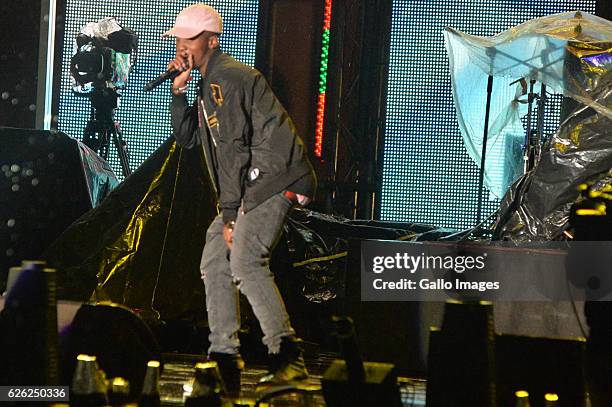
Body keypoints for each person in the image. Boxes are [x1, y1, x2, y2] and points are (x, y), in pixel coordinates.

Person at [163, 3, 317, 396]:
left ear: (212, 40)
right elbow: (188, 139)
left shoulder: (228, 78)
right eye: (179, 38)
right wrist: (178, 94)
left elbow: (232, 149)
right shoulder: (206, 81)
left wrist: (230, 213)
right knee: (215, 259)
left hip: (272, 176)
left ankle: (288, 358)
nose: (182, 45)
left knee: (246, 261)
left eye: (189, 38)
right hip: (252, 183)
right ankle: (223, 359)